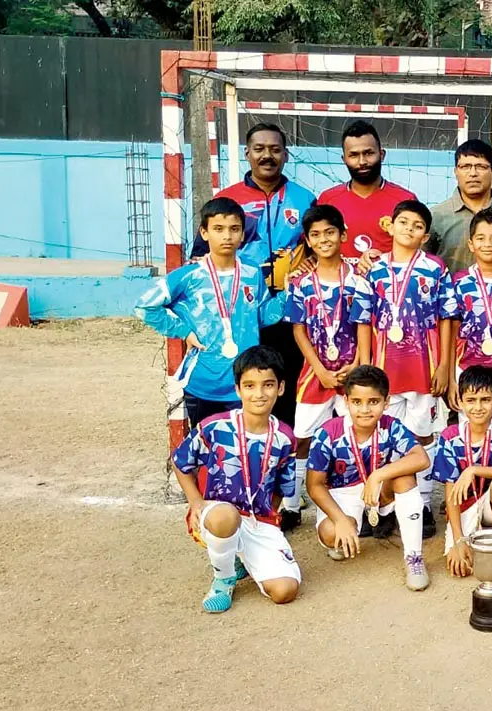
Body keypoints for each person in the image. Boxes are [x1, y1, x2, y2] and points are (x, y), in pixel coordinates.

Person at [188, 123, 317, 428]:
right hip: (238, 315)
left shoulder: (304, 198)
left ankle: (280, 456)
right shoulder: (229, 199)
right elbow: (198, 256)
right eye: (259, 149)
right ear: (247, 153)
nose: (267, 155)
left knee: (284, 391)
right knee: (245, 389)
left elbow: (317, 248)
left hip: (288, 312)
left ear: (286, 154)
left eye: (274, 149)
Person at [170, 345, 301, 613]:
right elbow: (180, 461)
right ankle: (223, 578)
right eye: (250, 386)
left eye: (268, 385)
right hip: (217, 514)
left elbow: (281, 489)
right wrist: (196, 503)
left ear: (281, 388)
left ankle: (241, 555)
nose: (259, 394)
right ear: (238, 389)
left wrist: (268, 524)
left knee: (285, 591)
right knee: (226, 517)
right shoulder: (215, 427)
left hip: (259, 520)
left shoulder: (285, 437)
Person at [348, 199, 451, 537]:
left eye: (417, 226)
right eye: (403, 222)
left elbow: (447, 318)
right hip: (383, 368)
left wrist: (446, 365)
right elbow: (363, 319)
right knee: (383, 435)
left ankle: (421, 504)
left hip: (424, 367)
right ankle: (385, 505)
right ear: (390, 226)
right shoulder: (372, 270)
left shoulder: (436, 269)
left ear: (424, 236)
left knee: (422, 433)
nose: (409, 229)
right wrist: (364, 366)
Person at [136, 198, 285, 427]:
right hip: (203, 382)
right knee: (207, 449)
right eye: (218, 229)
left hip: (246, 383)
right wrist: (183, 331)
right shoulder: (189, 276)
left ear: (243, 234)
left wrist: (292, 291)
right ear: (204, 233)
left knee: (243, 448)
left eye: (234, 229)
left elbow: (264, 316)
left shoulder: (252, 275)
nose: (227, 236)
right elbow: (144, 306)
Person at [306, 365, 433, 591]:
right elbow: (314, 485)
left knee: (404, 477)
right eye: (357, 402)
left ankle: (414, 557)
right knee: (331, 534)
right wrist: (340, 520)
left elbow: (421, 458)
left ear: (386, 402)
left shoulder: (391, 426)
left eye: (373, 402)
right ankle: (351, 524)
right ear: (346, 401)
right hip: (342, 492)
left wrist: (378, 475)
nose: (364, 410)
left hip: (379, 487)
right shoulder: (327, 433)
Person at [280, 204, 367, 529]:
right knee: (302, 436)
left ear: (343, 234)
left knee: (356, 434)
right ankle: (291, 504)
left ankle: (358, 500)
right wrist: (318, 369)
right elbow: (298, 329)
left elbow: (365, 325)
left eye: (330, 232)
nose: (324, 239)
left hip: (352, 373)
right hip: (315, 374)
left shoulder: (359, 277)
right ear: (308, 240)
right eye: (316, 235)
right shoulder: (301, 283)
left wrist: (358, 365)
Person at [433, 366, 492, 578]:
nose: (478, 407)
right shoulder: (450, 436)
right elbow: (450, 490)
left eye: (485, 399)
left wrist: (473, 470)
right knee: (462, 566)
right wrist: (457, 540)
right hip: (464, 505)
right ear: (461, 402)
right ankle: (475, 536)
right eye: (471, 400)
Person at [442, 208, 492, 413]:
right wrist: (451, 381)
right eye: (480, 238)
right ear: (471, 244)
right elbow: (451, 336)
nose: (487, 244)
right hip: (466, 375)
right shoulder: (458, 283)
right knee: (471, 436)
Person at [426, 139, 492, 273]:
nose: (473, 173)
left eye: (481, 167)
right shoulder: (435, 217)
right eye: (465, 167)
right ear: (455, 171)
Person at [318, 120, 418, 262]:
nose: (362, 161)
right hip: (340, 282)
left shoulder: (405, 200)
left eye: (368, 153)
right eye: (353, 155)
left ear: (382, 154)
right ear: (344, 159)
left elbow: (416, 251)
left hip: (389, 283)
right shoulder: (327, 200)